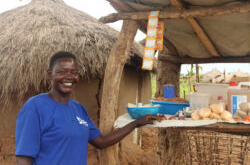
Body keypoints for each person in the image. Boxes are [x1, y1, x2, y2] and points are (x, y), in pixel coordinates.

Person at [15, 51, 161, 165]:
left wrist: (136, 123)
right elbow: (24, 158)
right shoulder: (35, 107)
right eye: (62, 72)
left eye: (74, 72)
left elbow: (101, 141)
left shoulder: (78, 109)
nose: (69, 76)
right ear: (50, 74)